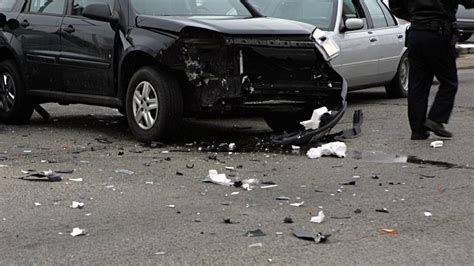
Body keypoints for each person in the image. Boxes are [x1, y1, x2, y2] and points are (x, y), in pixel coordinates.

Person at [389, 0, 474, 140]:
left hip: (416, 33)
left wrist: (415, 16)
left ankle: (418, 130)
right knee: (449, 82)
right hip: (439, 33)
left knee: (418, 84)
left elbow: (395, 6)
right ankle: (435, 119)